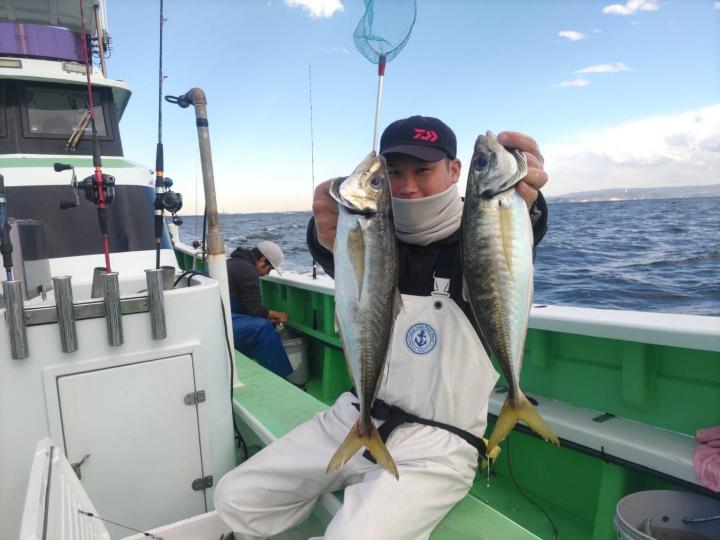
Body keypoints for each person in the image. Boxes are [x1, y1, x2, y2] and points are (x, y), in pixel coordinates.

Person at [214, 116, 549, 540]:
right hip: (356, 416)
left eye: (423, 170)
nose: (408, 186)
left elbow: (511, 246)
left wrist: (528, 202)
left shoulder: (478, 236)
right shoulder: (375, 235)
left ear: (455, 170)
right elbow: (344, 262)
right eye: (394, 173)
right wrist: (324, 233)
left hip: (438, 444)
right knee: (235, 497)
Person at [227, 240, 293, 378]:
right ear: (262, 261)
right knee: (263, 328)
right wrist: (277, 315)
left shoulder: (233, 262)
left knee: (256, 324)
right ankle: (281, 378)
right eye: (269, 269)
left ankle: (244, 368)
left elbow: (246, 307)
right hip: (219, 322)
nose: (267, 274)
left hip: (218, 314)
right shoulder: (248, 271)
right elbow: (254, 309)